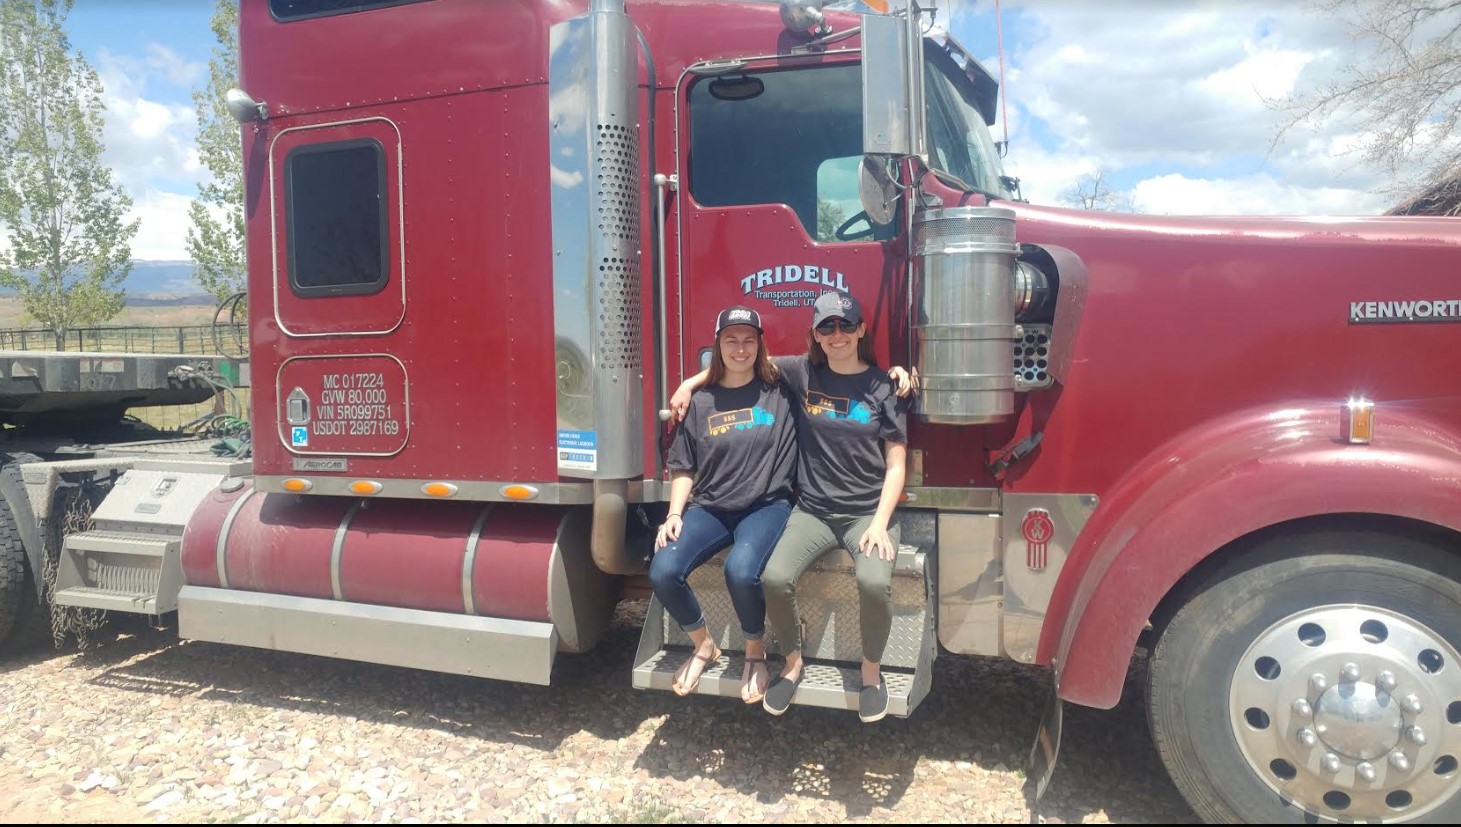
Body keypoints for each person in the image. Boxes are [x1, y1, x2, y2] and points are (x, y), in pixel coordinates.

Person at [671, 290, 911, 724]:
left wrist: (879, 523)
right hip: (813, 511)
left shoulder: (883, 386)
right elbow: (740, 362)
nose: (837, 335)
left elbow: (896, 464)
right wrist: (690, 383)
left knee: (874, 582)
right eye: (826, 327)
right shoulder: (802, 373)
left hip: (865, 515)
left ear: (861, 330)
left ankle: (871, 674)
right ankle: (792, 664)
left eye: (846, 325)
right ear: (815, 335)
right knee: (775, 577)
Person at [650, 305, 798, 704]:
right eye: (731, 340)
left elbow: (835, 366)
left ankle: (754, 651)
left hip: (766, 506)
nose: (740, 348)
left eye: (749, 340)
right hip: (711, 507)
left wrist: (898, 374)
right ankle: (704, 645)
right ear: (718, 345)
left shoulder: (781, 390)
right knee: (663, 569)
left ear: (760, 345)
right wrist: (674, 514)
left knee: (741, 570)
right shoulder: (701, 402)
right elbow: (683, 466)